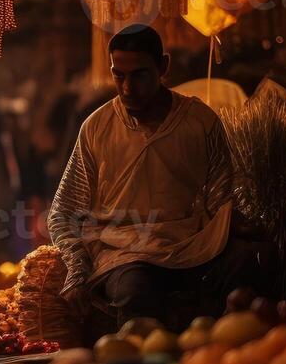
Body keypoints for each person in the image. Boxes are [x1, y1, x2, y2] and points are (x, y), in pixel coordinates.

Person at [48, 24, 241, 329]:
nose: (127, 88)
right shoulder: (97, 127)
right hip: (124, 254)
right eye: (118, 75)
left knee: (251, 268)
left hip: (193, 248)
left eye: (139, 75)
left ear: (163, 66)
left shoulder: (200, 122)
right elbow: (63, 213)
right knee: (136, 294)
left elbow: (223, 202)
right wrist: (77, 268)